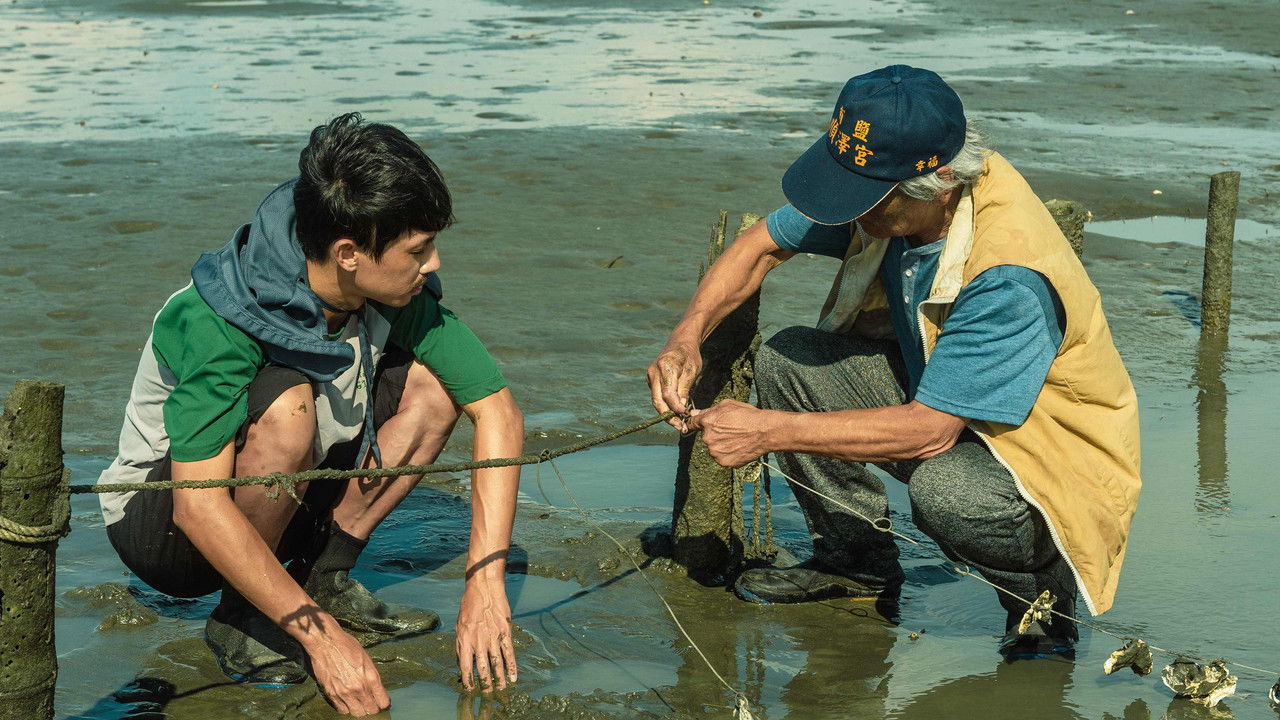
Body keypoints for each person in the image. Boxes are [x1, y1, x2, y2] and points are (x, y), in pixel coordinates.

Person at [647, 65, 1141, 656]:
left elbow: (930, 434)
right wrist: (687, 336)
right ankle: (855, 565)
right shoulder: (892, 197)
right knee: (792, 360)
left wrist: (769, 432)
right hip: (941, 388)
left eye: (863, 200)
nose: (848, 212)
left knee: (947, 490)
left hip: (1039, 455)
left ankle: (1041, 602)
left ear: (933, 183)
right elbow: (760, 246)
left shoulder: (1008, 275)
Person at [98, 113, 523, 715]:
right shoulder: (217, 316)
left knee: (436, 388)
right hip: (163, 525)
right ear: (349, 252)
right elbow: (197, 505)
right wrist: (324, 643)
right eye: (418, 250)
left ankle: (323, 578)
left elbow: (499, 411)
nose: (434, 265)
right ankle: (246, 617)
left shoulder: (393, 290)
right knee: (288, 403)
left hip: (285, 490)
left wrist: (484, 582)